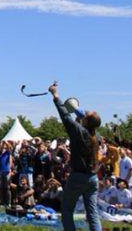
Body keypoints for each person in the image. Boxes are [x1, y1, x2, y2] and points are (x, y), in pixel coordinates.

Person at [50, 81, 102, 231]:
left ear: (85, 121)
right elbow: (85, 120)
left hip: (78, 177)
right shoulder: (96, 135)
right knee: (92, 213)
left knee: (66, 211)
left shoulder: (79, 132)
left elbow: (65, 115)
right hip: (92, 178)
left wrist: (55, 95)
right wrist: (82, 115)